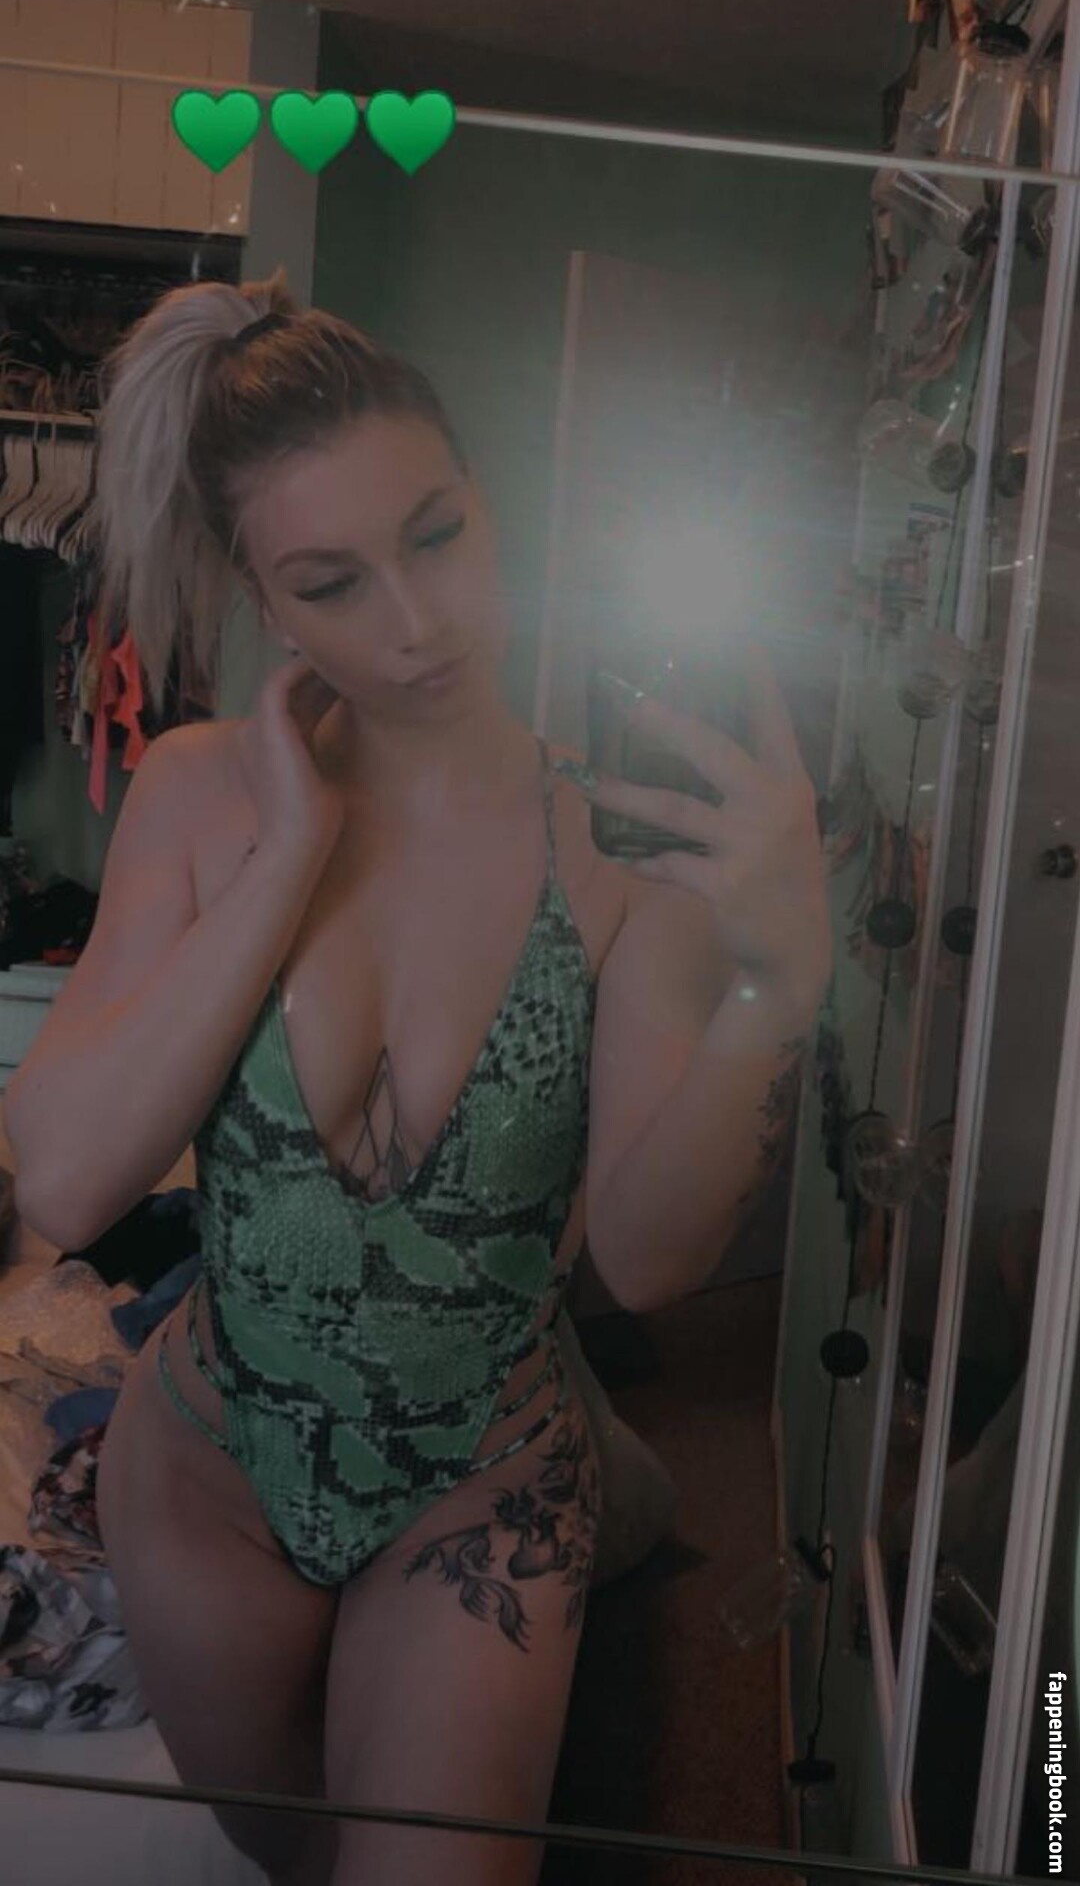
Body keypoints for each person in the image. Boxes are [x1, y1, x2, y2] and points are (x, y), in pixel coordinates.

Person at [5, 269, 831, 1886]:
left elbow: (653, 1260)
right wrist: (285, 857)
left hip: (484, 1488)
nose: (412, 621)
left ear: (489, 503)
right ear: (266, 599)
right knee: (291, 1863)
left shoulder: (618, 848)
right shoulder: (200, 795)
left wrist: (776, 984)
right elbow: (70, 1182)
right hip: (208, 1479)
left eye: (437, 536)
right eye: (332, 582)